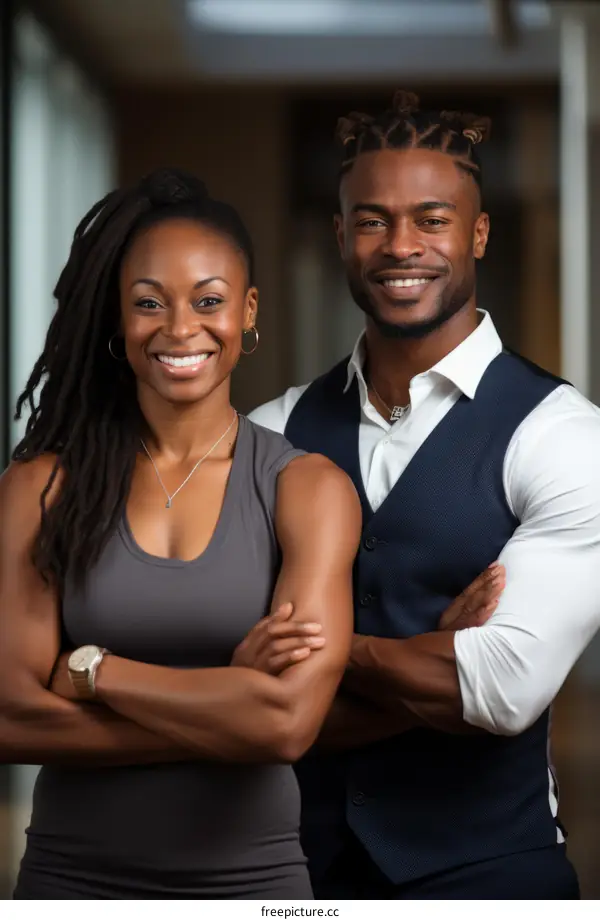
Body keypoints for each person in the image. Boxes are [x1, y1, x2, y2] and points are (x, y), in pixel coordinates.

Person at [249, 91, 600, 899]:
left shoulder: (561, 434)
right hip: (292, 873)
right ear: (341, 235)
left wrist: (321, 653)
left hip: (490, 873)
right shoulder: (269, 431)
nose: (400, 245)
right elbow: (226, 665)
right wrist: (428, 648)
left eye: (432, 219)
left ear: (476, 232)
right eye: (371, 220)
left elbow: (503, 686)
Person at [0, 168, 367, 899]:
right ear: (116, 317)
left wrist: (94, 673)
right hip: (70, 883)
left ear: (248, 311)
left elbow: (288, 724)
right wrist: (229, 700)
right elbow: (9, 717)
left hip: (251, 885)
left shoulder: (308, 489)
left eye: (208, 301)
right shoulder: (42, 487)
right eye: (147, 303)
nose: (179, 329)